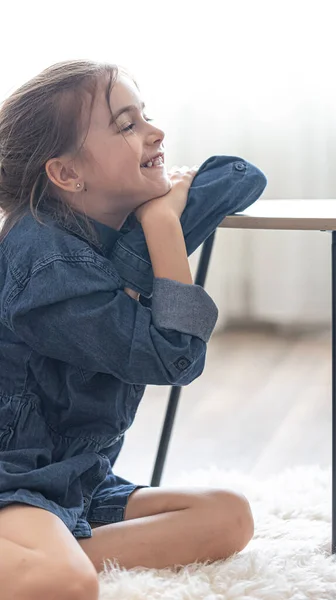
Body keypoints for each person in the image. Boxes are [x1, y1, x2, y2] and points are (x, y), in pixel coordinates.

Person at [0, 60, 256, 600]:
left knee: (228, 517)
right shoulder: (46, 264)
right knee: (62, 582)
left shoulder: (102, 230)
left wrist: (149, 226)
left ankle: (55, 546)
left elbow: (238, 175)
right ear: (67, 174)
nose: (155, 133)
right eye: (126, 125)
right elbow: (175, 359)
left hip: (72, 479)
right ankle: (47, 555)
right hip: (14, 482)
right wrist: (162, 224)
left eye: (146, 116)